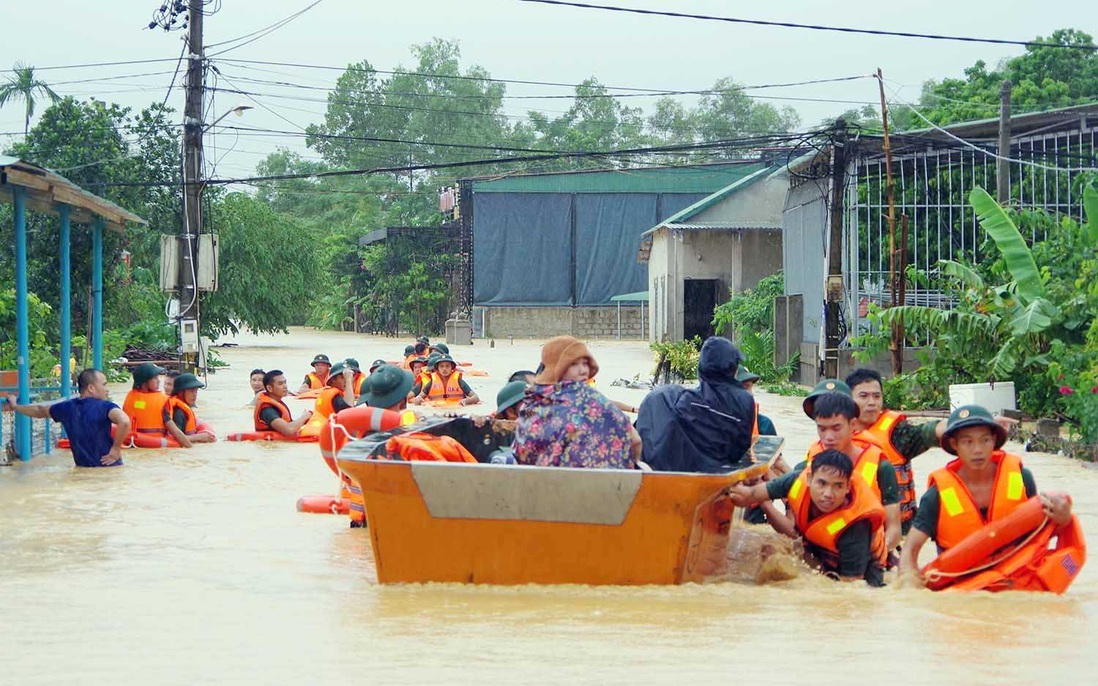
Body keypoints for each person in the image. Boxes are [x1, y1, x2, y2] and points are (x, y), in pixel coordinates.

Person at [899, 404, 1073, 581]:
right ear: (954, 444)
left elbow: (1041, 533)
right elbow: (910, 549)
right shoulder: (937, 495)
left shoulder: (1021, 479)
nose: (977, 450)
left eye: (985, 440)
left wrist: (1063, 519)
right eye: (968, 442)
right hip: (963, 590)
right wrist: (907, 584)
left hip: (1016, 581)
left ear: (994, 441)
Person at [844, 367, 1015, 534]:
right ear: (848, 399)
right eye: (863, 396)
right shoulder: (836, 434)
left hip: (898, 528)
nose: (872, 402)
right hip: (855, 527)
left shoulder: (897, 433)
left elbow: (931, 431)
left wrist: (980, 423)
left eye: (876, 396)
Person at [729, 450, 888, 586]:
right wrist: (737, 484)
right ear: (810, 479)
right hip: (819, 554)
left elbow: (850, 588)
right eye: (822, 483)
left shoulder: (855, 527)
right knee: (770, 553)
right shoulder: (794, 480)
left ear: (847, 487)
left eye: (838, 486)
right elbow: (749, 495)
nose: (828, 494)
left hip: (862, 575)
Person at [800, 384, 903, 552]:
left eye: (836, 427)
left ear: (852, 423)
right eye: (822, 428)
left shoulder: (881, 466)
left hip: (865, 552)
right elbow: (795, 514)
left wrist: (870, 556)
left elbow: (894, 530)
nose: (828, 437)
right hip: (818, 546)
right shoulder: (810, 461)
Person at [514, 336, 641, 469]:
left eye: (585, 363)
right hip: (600, 484)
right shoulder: (592, 400)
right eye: (574, 364)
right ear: (557, 366)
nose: (583, 371)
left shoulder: (531, 401)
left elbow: (521, 450)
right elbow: (635, 441)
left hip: (539, 483)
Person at [635, 336, 756, 473]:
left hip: (678, 475)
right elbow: (739, 451)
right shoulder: (745, 400)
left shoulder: (680, 401)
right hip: (720, 475)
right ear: (733, 370)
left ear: (702, 369)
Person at [4, 368, 130, 467]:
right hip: (110, 467)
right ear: (91, 388)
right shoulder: (106, 407)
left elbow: (39, 410)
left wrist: (15, 406)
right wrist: (116, 448)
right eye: (104, 385)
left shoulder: (67, 408)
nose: (107, 390)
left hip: (83, 469)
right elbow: (124, 421)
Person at [254, 369, 314, 437]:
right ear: (269, 388)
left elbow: (290, 424)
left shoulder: (276, 403)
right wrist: (305, 416)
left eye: (285, 382)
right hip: (271, 445)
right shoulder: (267, 410)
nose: (285, 386)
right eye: (280, 383)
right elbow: (289, 430)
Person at [163, 373, 216, 448]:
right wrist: (199, 437)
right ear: (181, 393)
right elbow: (175, 439)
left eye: (196, 391)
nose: (195, 395)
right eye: (192, 391)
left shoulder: (184, 408)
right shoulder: (178, 413)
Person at [122, 362, 170, 439]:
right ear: (144, 384)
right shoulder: (163, 400)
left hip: (134, 441)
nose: (159, 381)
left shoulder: (130, 396)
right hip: (155, 443)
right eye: (155, 378)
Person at [412, 354, 481, 406]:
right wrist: (417, 400)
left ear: (452, 367)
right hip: (437, 411)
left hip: (456, 410)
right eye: (441, 366)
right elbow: (419, 398)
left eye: (447, 366)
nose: (444, 369)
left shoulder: (459, 381)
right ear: (437, 368)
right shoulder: (432, 382)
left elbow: (476, 398)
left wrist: (466, 401)